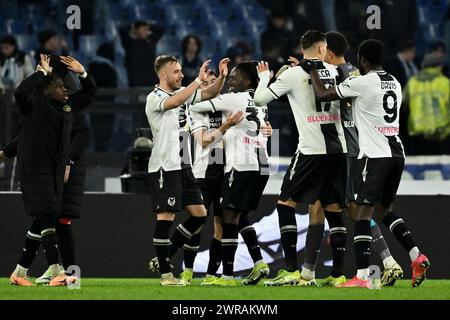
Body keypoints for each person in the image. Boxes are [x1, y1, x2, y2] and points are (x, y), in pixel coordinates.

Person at [308, 39, 430, 288]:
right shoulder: (395, 81)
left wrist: (312, 68)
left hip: (374, 155)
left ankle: (362, 276)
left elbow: (322, 94)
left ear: (363, 59)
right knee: (385, 210)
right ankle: (416, 255)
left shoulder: (361, 83)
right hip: (397, 152)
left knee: (361, 213)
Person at [289, 31, 403, 287]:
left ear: (327, 52)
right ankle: (339, 270)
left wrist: (306, 73)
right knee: (332, 207)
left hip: (345, 150)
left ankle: (383, 263)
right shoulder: (356, 73)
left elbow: (324, 97)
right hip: (351, 148)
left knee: (346, 210)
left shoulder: (340, 75)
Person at [254, 30, 347, 287]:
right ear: (322, 49)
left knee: (285, 204)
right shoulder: (336, 71)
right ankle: (338, 274)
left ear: (302, 47)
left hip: (310, 151)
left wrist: (265, 78)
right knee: (333, 210)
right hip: (338, 151)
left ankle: (292, 270)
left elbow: (259, 99)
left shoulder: (293, 74)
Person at [9, 54, 96, 286]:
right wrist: (41, 74)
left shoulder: (66, 107)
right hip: (34, 168)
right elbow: (19, 93)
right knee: (48, 214)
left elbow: (89, 94)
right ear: (47, 90)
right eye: (59, 86)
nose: (66, 89)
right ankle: (57, 269)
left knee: (45, 216)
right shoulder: (34, 104)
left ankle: (19, 272)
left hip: (53, 169)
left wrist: (83, 72)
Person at [145, 55, 229, 286]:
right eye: (176, 72)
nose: (181, 75)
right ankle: (165, 275)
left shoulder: (184, 97)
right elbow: (173, 102)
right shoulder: (155, 97)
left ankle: (165, 255)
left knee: (200, 215)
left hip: (184, 166)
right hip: (165, 165)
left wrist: (221, 77)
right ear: (163, 75)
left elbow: (210, 94)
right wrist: (196, 82)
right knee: (166, 216)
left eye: (182, 71)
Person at [189, 61, 271, 286]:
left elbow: (193, 106)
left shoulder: (233, 98)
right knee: (238, 215)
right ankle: (258, 263)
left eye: (234, 78)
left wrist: (200, 96)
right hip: (261, 165)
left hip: (239, 165)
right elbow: (262, 126)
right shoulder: (262, 102)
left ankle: (225, 276)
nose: (229, 82)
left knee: (229, 219)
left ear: (246, 81)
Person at [179, 71, 243, 285]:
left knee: (221, 226)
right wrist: (227, 126)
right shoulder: (197, 111)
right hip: (203, 173)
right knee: (198, 223)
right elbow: (204, 141)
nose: (208, 86)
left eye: (213, 83)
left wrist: (265, 129)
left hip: (226, 173)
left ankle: (211, 274)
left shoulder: (227, 106)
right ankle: (187, 271)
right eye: (204, 83)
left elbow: (249, 126)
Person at [404, 53, 450, 155]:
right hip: (441, 132)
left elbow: (403, 104)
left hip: (417, 132)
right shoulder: (445, 83)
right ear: (439, 66)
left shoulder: (412, 82)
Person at [120, 20, 165, 87]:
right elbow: (122, 31)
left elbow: (162, 29)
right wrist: (133, 26)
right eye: (143, 29)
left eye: (147, 30)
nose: (146, 32)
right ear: (136, 31)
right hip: (137, 80)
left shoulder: (150, 40)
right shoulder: (129, 42)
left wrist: (149, 26)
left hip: (151, 78)